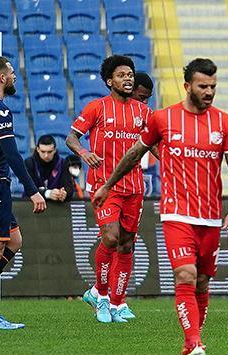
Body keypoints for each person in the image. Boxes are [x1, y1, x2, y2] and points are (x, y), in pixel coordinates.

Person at [93, 58, 228, 355]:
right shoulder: (163, 119)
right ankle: (195, 344)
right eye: (203, 86)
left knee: (202, 282)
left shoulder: (225, 123)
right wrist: (108, 185)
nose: (209, 92)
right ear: (187, 86)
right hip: (176, 214)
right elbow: (134, 153)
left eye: (213, 86)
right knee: (186, 276)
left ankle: (191, 343)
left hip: (210, 217)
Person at [66, 55, 152, 323]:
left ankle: (117, 303)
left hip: (135, 187)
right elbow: (71, 137)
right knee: (111, 237)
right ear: (109, 81)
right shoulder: (96, 108)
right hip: (104, 186)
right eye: (121, 75)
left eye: (130, 74)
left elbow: (156, 145)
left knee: (127, 245)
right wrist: (83, 152)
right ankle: (101, 295)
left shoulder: (143, 112)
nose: (127, 78)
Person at [0, 56, 47, 328]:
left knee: (14, 240)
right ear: (2, 78)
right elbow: (12, 154)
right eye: (11, 73)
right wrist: (33, 190)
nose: (14, 76)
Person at [24, 134, 74, 202]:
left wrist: (64, 194)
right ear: (38, 149)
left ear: (55, 150)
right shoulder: (28, 163)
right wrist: (47, 193)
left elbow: (69, 189)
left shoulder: (63, 163)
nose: (46, 155)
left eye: (49, 152)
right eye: (43, 151)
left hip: (57, 205)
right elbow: (28, 189)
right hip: (31, 205)